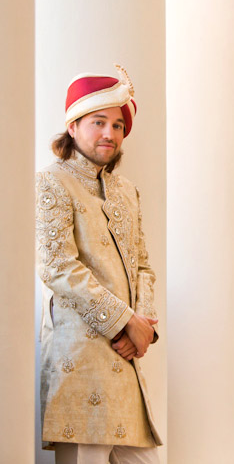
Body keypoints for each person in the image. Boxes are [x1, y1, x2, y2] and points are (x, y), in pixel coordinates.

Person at [36, 65, 162, 463]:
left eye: (118, 125)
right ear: (73, 126)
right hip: (80, 361)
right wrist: (127, 321)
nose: (110, 133)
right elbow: (58, 266)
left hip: (126, 363)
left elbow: (144, 266)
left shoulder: (127, 191)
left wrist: (143, 329)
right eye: (98, 122)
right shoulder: (52, 182)